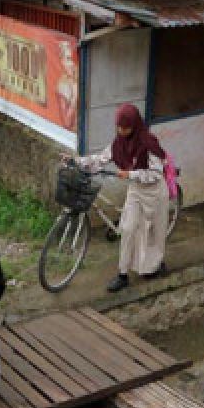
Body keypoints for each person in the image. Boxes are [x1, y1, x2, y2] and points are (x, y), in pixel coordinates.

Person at [75, 104, 169, 293]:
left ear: (135, 125)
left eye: (125, 127)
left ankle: (155, 265)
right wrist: (77, 161)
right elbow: (100, 159)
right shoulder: (118, 144)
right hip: (136, 191)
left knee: (153, 233)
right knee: (127, 229)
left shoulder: (148, 143)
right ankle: (122, 274)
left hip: (155, 193)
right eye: (119, 127)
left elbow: (157, 174)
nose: (121, 131)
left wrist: (131, 174)